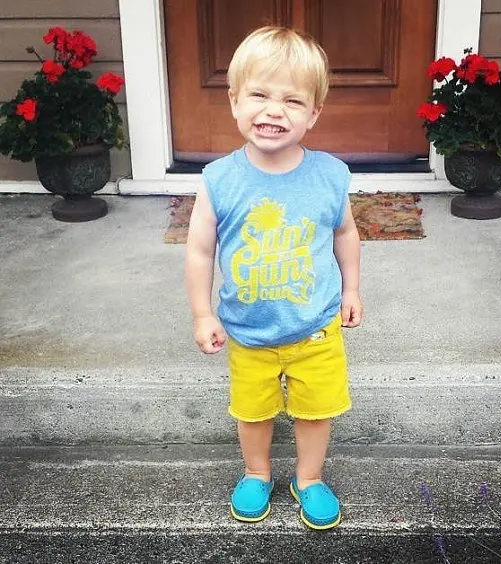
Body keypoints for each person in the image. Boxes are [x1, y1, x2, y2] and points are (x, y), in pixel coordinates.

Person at [185, 25, 362, 530]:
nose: (274, 111)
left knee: (316, 410)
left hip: (315, 327)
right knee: (253, 411)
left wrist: (351, 288)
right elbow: (200, 251)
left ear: (314, 113)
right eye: (259, 95)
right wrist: (202, 313)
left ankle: (309, 478)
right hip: (249, 331)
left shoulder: (329, 176)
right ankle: (256, 472)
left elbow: (345, 233)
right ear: (234, 101)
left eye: (292, 100)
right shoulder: (220, 180)